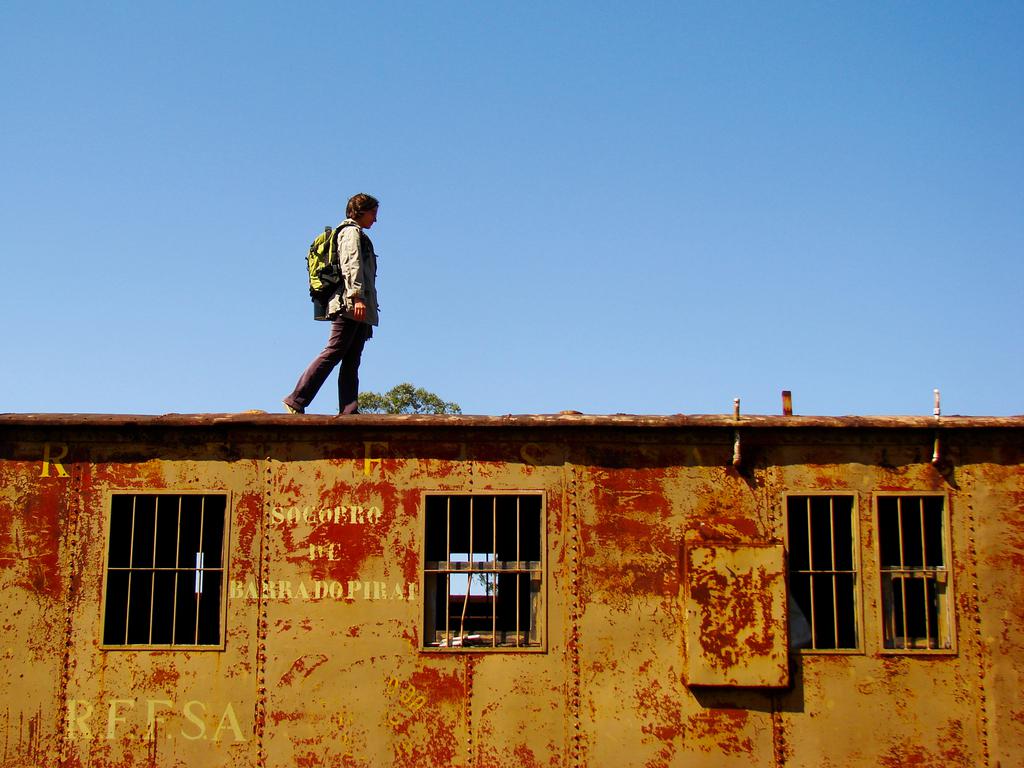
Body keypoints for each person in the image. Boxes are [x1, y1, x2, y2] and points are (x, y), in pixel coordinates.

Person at [283, 193, 380, 414]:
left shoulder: (358, 234)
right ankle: (296, 399)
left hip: (359, 307)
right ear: (361, 211)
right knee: (334, 350)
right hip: (350, 305)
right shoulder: (350, 232)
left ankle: (349, 410)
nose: (375, 219)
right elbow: (350, 264)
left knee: (351, 359)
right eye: (373, 213)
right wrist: (357, 297)